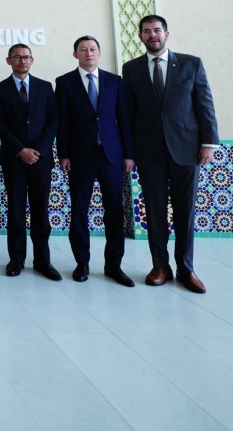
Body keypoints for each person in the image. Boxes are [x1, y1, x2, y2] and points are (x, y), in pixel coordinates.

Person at [122, 15, 219, 294]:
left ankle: (186, 268)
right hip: (148, 151)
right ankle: (160, 266)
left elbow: (205, 105)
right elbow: (128, 115)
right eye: (146, 31)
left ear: (167, 34)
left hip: (187, 150)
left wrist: (208, 143)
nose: (152, 35)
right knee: (153, 211)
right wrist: (129, 153)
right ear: (140, 37)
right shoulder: (131, 69)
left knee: (185, 210)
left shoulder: (191, 63)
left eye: (156, 30)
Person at [56, 35, 135, 286]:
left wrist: (129, 154)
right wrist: (63, 154)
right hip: (80, 157)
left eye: (92, 49)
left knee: (114, 211)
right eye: (83, 49)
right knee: (79, 211)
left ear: (99, 53)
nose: (88, 53)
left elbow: (124, 120)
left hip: (111, 156)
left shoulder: (115, 81)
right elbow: (63, 123)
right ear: (75, 54)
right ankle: (82, 263)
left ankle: (114, 265)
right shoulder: (65, 82)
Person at [0, 44, 61, 280]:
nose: (22, 61)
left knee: (41, 212)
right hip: (14, 160)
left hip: (41, 161)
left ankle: (43, 261)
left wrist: (37, 150)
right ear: (8, 60)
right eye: (17, 57)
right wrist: (21, 150)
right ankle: (16, 260)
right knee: (16, 212)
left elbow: (53, 122)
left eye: (26, 57)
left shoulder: (45, 87)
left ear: (33, 60)